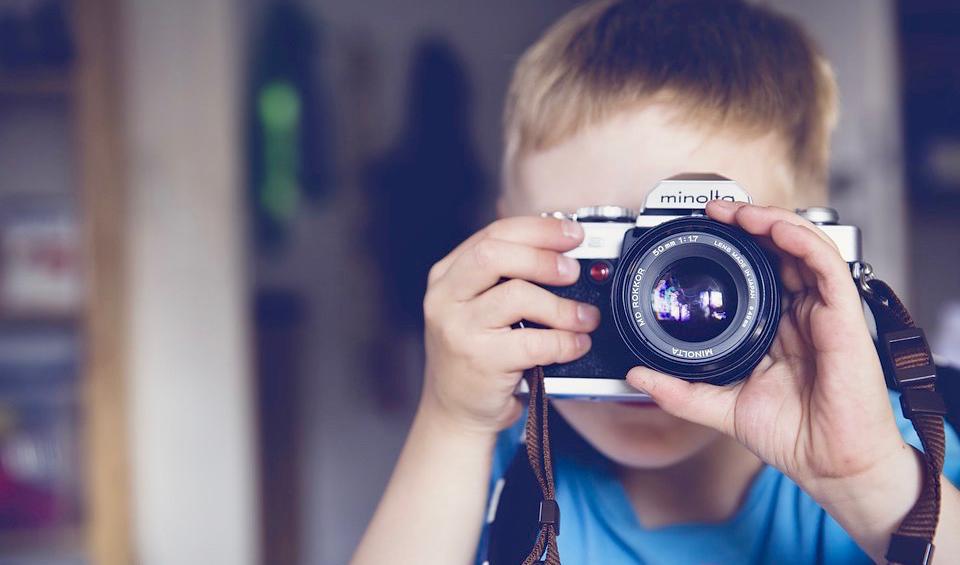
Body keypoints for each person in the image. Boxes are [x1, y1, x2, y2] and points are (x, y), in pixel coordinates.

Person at [351, 1, 960, 563]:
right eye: (610, 259)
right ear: (510, 244)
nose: (653, 319)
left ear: (808, 251)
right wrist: (451, 418)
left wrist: (869, 484)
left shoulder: (886, 451)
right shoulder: (504, 462)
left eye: (708, 259)